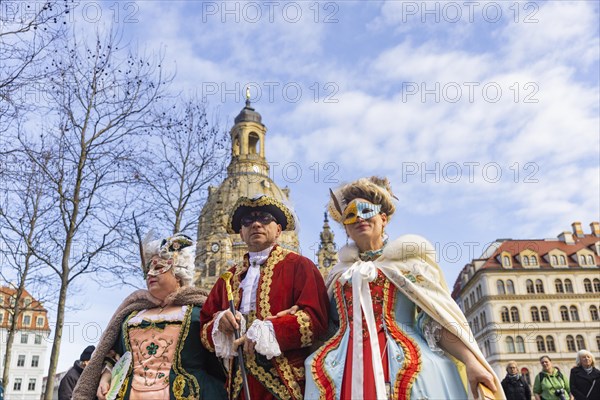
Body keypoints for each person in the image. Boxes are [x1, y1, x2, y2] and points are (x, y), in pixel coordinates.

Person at [304, 176, 505, 399]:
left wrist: (470, 360)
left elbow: (437, 318)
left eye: (366, 211)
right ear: (346, 229)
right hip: (343, 364)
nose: (359, 217)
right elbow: (324, 323)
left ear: (383, 219)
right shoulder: (338, 275)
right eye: (350, 215)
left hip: (405, 360)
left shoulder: (409, 263)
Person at [200, 195, 330, 400]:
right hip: (239, 384)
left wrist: (273, 330)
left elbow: (317, 319)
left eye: (265, 218)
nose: (256, 224)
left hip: (287, 381)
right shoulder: (227, 279)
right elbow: (204, 329)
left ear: (278, 230)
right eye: (247, 221)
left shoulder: (299, 266)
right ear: (241, 234)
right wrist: (220, 325)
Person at [72, 233, 227, 399]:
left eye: (158, 267)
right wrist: (106, 375)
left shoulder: (200, 313)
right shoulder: (131, 315)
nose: (150, 274)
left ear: (178, 273)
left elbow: (220, 361)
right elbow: (114, 355)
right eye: (148, 270)